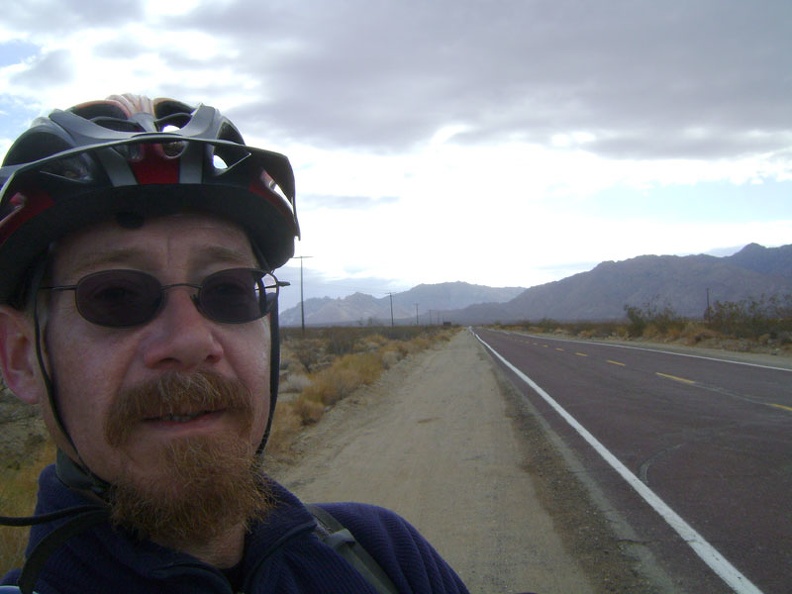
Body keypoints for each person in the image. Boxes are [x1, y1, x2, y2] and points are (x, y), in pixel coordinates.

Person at [0, 94, 469, 594]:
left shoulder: (386, 558)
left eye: (230, 291)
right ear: (21, 357)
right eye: (115, 295)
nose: (191, 341)